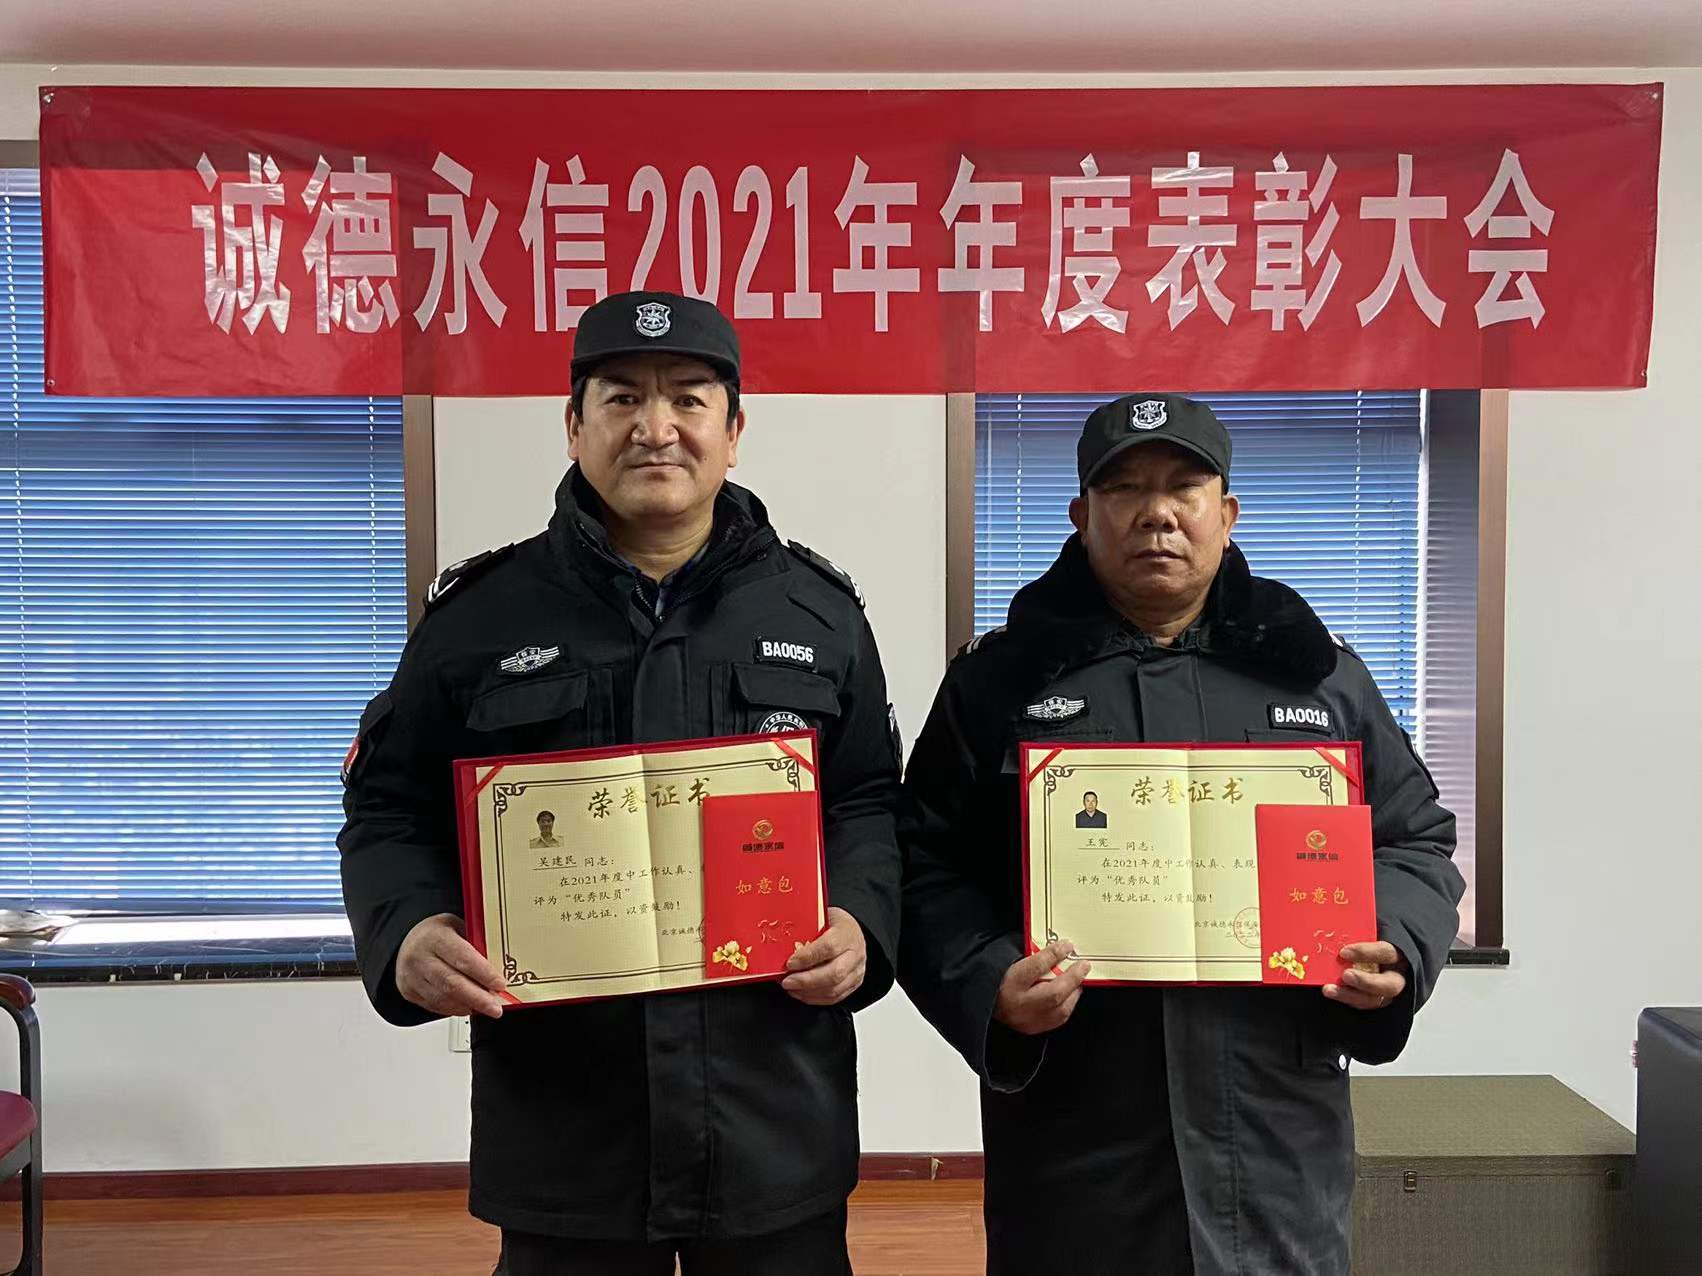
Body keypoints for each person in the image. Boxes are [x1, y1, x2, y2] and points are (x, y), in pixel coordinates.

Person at [340, 291, 903, 1275]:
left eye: (688, 398)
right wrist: (408, 929)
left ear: (734, 432)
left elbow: (866, 799)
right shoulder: (480, 618)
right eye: (622, 398)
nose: (655, 427)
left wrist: (861, 918)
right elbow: (388, 805)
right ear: (574, 425)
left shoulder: (817, 614)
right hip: (567, 1123)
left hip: (770, 1107)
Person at [898, 394, 1464, 1275]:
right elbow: (921, 865)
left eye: (1183, 487)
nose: (1155, 513)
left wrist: (1394, 941)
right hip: (1078, 1135)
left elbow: (1414, 839)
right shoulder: (999, 683)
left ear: (1225, 514)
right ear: (1082, 515)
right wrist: (989, 982)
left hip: (1275, 1125)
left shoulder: (1316, 676)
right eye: (1124, 488)